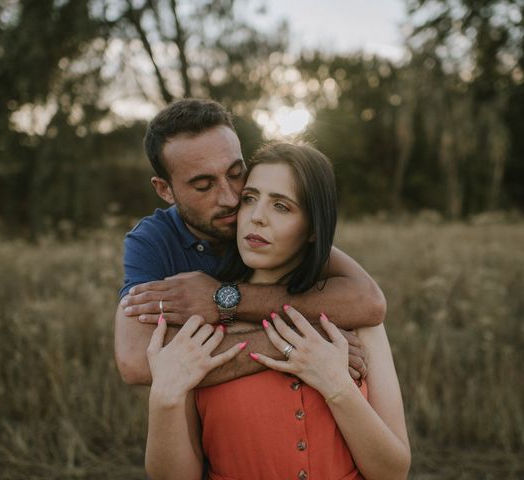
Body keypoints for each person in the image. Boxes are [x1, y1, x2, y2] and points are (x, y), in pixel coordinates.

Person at [144, 142, 411, 480]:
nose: (257, 217)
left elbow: (393, 473)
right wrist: (164, 399)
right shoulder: (196, 323)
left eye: (282, 206)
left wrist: (337, 387)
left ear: (314, 229)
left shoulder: (358, 322)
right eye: (250, 199)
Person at [114, 99, 386, 389]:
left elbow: (368, 302)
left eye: (235, 173)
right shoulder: (153, 241)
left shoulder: (257, 220)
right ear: (165, 189)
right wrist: (286, 339)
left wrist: (222, 300)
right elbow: (136, 362)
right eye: (204, 186)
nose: (231, 198)